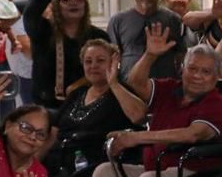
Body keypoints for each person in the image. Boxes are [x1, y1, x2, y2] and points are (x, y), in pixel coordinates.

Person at [88, 31, 222, 177]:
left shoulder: (216, 102)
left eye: (206, 72)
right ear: (182, 69)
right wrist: (150, 55)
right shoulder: (170, 88)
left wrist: (136, 138)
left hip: (193, 173)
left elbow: (193, 134)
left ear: (216, 77)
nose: (197, 76)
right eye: (192, 68)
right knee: (104, 173)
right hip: (154, 168)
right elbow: (135, 83)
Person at [49, 39, 148, 169]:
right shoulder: (77, 94)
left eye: (100, 60)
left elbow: (140, 117)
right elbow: (53, 133)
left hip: (97, 165)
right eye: (88, 61)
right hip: (60, 162)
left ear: (113, 63)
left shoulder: (122, 92)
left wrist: (113, 83)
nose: (93, 65)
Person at [23, 0, 109, 107]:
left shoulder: (98, 36)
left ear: (85, 4)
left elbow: (109, 67)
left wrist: (81, 84)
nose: (73, 2)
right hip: (48, 106)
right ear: (56, 6)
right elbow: (30, 16)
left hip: (87, 104)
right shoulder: (43, 31)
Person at [107, 0, 187, 79]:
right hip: (127, 83)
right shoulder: (117, 21)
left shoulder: (173, 20)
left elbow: (180, 54)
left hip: (164, 83)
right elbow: (112, 56)